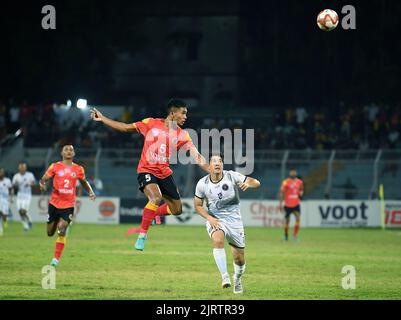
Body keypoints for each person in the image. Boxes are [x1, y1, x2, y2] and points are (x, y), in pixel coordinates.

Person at [91, 99, 209, 251]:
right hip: (146, 169)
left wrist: (210, 169)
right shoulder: (150, 123)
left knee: (177, 210)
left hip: (164, 173)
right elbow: (126, 128)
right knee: (156, 197)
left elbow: (196, 156)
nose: (186, 116)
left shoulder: (183, 135)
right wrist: (103, 119)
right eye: (183, 113)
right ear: (172, 113)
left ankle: (152, 215)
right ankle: (142, 236)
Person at [194, 154, 260, 294]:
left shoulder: (232, 176)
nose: (217, 163)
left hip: (235, 221)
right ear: (209, 166)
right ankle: (224, 276)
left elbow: (256, 182)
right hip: (216, 219)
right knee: (218, 240)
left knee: (239, 258)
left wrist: (248, 183)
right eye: (214, 161)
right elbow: (198, 206)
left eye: (220, 161)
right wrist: (209, 218)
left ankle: (237, 279)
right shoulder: (202, 183)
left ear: (223, 165)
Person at [39, 144, 96, 267]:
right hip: (54, 204)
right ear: (62, 153)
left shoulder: (79, 169)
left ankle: (56, 259)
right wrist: (42, 183)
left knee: (62, 229)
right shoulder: (55, 166)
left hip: (68, 205)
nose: (69, 151)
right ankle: (59, 225)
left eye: (71, 150)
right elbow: (44, 178)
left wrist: (90, 192)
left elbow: (84, 182)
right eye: (66, 149)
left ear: (74, 154)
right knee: (50, 233)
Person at [279, 168, 304, 241]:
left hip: (296, 203)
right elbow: (282, 192)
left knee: (298, 218)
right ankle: (286, 235)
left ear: (296, 173)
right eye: (292, 172)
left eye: (294, 172)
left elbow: (301, 189)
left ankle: (295, 235)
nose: (293, 173)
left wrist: (301, 193)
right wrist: (280, 203)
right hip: (287, 204)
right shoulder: (286, 182)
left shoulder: (299, 182)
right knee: (287, 221)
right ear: (290, 173)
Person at [12, 162, 36, 231]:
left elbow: (34, 183)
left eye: (23, 167)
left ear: (25, 168)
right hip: (19, 195)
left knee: (24, 211)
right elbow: (13, 186)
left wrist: (30, 184)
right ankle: (25, 225)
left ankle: (29, 220)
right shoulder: (16, 176)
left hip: (27, 195)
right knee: (20, 211)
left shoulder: (30, 175)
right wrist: (15, 186)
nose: (22, 168)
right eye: (21, 167)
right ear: (19, 168)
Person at [0, 168, 13, 236]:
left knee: (4, 214)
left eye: (2, 172)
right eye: (0, 172)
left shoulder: (7, 181)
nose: (1, 173)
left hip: (5, 200)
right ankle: (1, 229)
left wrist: (11, 197)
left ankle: (5, 221)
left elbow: (11, 189)